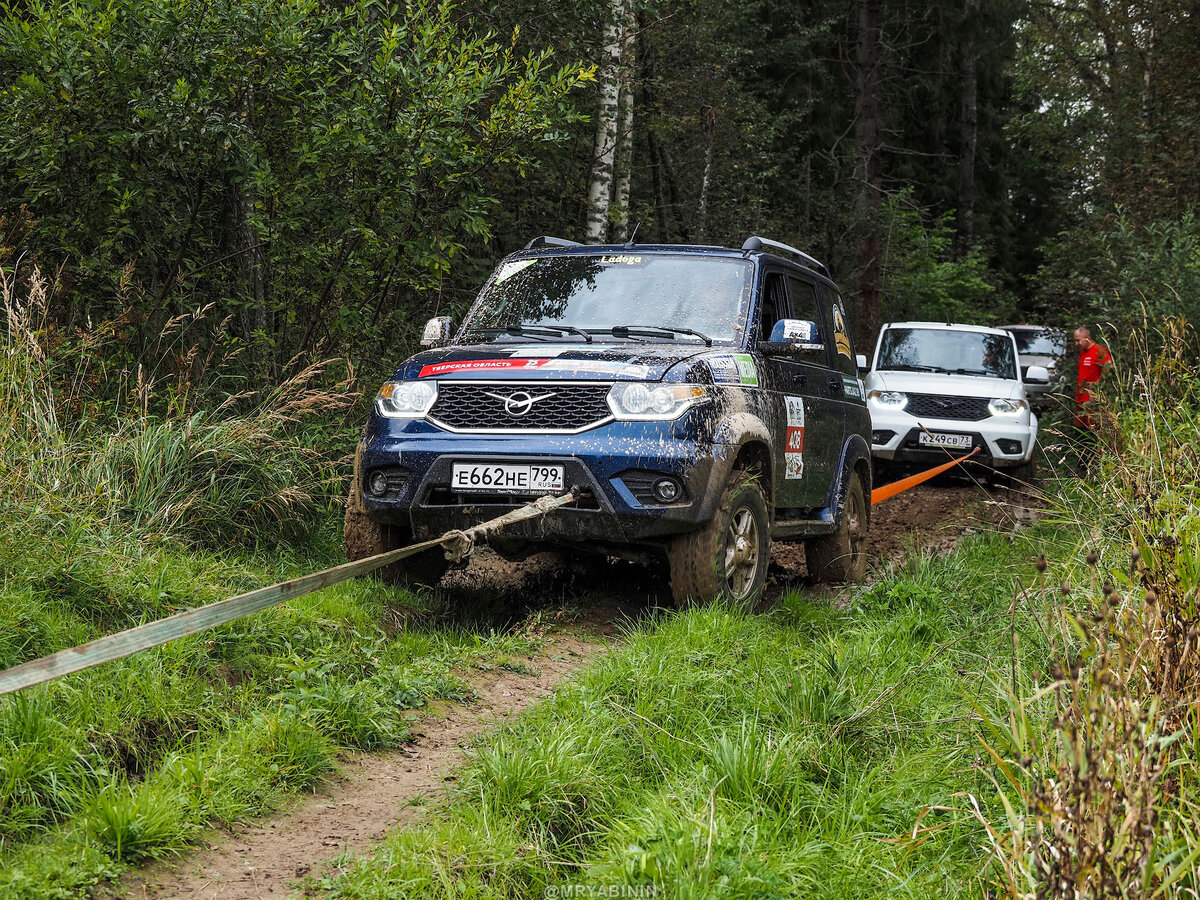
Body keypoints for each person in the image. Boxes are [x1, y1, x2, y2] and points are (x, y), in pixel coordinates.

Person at [1072, 325, 1111, 472]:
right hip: (1080, 400)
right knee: (1079, 433)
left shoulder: (1099, 350)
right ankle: (1081, 467)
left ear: (1087, 338)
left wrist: (1098, 383)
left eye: (1078, 340)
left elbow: (1109, 366)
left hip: (1091, 401)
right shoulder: (1084, 352)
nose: (1076, 344)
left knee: (1091, 434)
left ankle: (1093, 468)